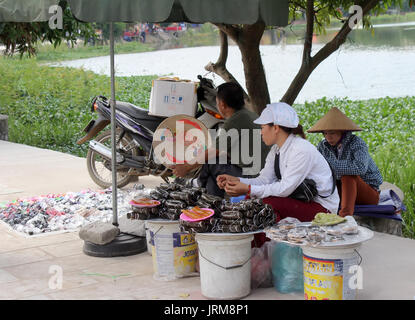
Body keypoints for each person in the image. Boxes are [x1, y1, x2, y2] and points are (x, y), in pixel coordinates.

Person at [217, 102, 340, 223]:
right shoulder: (276, 150)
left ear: (275, 128)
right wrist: (237, 181)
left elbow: (284, 189)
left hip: (322, 208)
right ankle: (257, 242)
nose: (261, 132)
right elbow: (264, 180)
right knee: (251, 199)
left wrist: (248, 188)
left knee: (267, 203)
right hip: (299, 201)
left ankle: (269, 242)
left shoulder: (301, 149)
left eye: (262, 128)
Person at [172, 82, 269, 197]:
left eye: (217, 102)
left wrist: (186, 167)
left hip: (253, 176)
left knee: (211, 161)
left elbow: (213, 152)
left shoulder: (235, 121)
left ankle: (196, 183)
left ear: (222, 104)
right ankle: (212, 203)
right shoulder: (250, 115)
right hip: (258, 171)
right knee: (213, 176)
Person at [307, 107, 383, 217]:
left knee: (348, 176)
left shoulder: (357, 143)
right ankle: (319, 212)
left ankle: (345, 217)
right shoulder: (322, 146)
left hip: (367, 194)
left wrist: (331, 165)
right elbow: (319, 168)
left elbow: (360, 168)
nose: (328, 137)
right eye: (325, 133)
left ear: (342, 131)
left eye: (332, 133)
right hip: (341, 192)